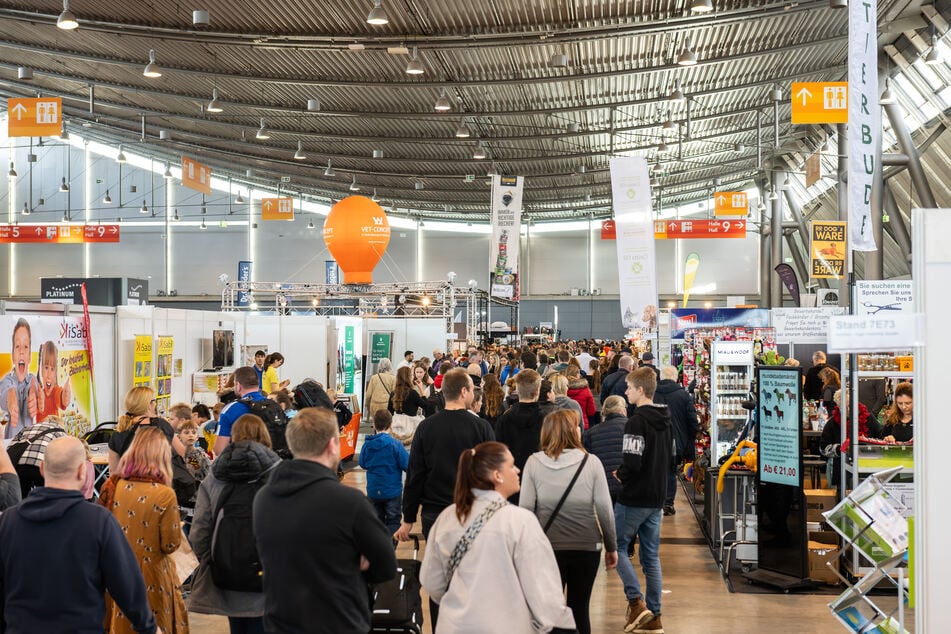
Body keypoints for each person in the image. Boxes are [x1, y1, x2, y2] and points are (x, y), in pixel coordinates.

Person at [253, 407, 397, 634]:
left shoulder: (264, 499)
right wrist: (353, 561)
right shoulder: (350, 503)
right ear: (332, 446)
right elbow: (386, 565)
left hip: (281, 621)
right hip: (339, 621)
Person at [0, 436, 158, 633]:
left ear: (42, 468)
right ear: (83, 471)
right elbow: (127, 586)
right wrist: (148, 626)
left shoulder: (8, 521)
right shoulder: (99, 522)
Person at [420, 441, 577, 634]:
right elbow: (542, 589)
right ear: (497, 476)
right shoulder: (519, 521)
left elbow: (432, 582)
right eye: (511, 465)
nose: (517, 470)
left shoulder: (447, 518)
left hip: (454, 626)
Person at [520, 410, 617, 634]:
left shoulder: (534, 463)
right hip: (587, 545)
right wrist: (611, 546)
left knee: (549, 612)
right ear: (573, 432)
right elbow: (604, 509)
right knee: (580, 608)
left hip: (547, 548)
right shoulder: (591, 463)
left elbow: (525, 510)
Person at [188, 414, 281, 634]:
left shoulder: (215, 475)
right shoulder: (280, 472)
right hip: (270, 575)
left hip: (226, 573)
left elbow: (199, 531)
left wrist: (212, 560)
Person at [100, 427, 189, 634]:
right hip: (153, 576)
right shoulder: (165, 495)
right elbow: (170, 543)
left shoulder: (112, 485)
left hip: (117, 573)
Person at [615, 367, 673, 634]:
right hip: (656, 496)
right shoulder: (665, 419)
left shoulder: (636, 422)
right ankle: (656, 615)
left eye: (628, 387)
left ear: (640, 390)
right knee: (651, 557)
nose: (625, 392)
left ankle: (636, 603)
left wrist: (621, 474)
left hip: (635, 496)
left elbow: (633, 460)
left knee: (617, 547)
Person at [493, 370, 553, 491]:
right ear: (537, 391)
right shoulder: (548, 419)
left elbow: (499, 450)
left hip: (513, 478)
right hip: (541, 478)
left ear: (518, 391)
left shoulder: (505, 419)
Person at [652, 365, 698, 517]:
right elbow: (692, 420)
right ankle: (668, 503)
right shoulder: (683, 395)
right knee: (671, 471)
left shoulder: (651, 393)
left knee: (654, 470)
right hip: (675, 439)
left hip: (654, 438)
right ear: (676, 377)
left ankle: (654, 501)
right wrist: (690, 437)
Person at [108, 385, 187, 473]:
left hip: (130, 484)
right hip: (157, 483)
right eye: (153, 401)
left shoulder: (120, 430)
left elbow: (113, 469)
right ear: (148, 405)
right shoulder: (161, 425)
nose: (155, 404)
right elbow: (183, 453)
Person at [359, 409, 410, 536]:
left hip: (373, 490)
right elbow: (407, 465)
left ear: (374, 425)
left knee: (377, 521)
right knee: (393, 520)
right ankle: (390, 548)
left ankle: (379, 548)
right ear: (391, 424)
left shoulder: (367, 445)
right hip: (392, 490)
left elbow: (362, 463)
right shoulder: (395, 445)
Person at [582, 395, 628, 504]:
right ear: (622, 410)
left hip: (603, 487)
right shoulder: (634, 428)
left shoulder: (590, 433)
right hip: (628, 485)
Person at [8, 419, 69, 498]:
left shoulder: (29, 427)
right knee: (46, 496)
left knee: (21, 495)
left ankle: (23, 509)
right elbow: (65, 456)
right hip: (39, 465)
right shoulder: (60, 431)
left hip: (19, 463)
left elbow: (13, 444)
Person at [215, 367, 266, 455]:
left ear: (238, 386)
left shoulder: (230, 409)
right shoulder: (273, 405)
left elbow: (220, 449)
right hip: (270, 464)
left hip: (241, 464)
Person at [0, 318, 38, 439]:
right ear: (12, 355)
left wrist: (36, 395)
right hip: (10, 448)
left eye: (25, 346)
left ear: (30, 356)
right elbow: (5, 392)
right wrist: (10, 398)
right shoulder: (7, 380)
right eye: (17, 346)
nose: (21, 351)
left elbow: (36, 390)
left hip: (30, 445)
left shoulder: (34, 380)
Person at [389, 366, 432, 446]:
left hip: (396, 424)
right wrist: (422, 390)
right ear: (408, 377)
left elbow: (389, 412)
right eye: (412, 375)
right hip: (411, 426)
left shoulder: (393, 393)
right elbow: (427, 406)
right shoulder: (412, 393)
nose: (413, 376)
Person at [36, 339, 71, 422]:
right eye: (46, 368)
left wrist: (65, 395)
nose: (48, 375)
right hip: (40, 431)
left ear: (56, 372)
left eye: (52, 369)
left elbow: (61, 398)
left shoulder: (56, 390)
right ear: (40, 369)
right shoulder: (37, 391)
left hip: (53, 431)